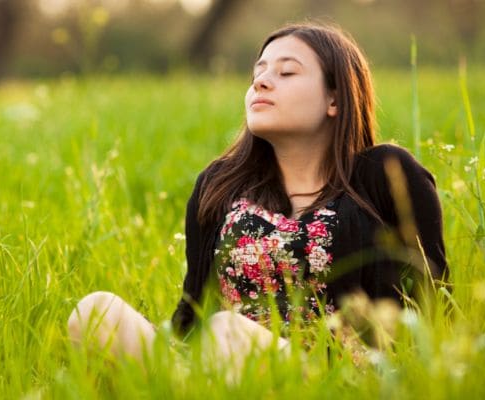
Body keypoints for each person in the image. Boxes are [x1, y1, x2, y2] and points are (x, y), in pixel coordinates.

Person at [67, 22, 447, 368]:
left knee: (228, 333)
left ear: (335, 98)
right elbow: (193, 311)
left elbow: (433, 306)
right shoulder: (220, 184)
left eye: (286, 72)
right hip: (216, 358)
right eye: (258, 73)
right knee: (95, 311)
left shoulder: (385, 174)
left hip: (333, 373)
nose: (262, 83)